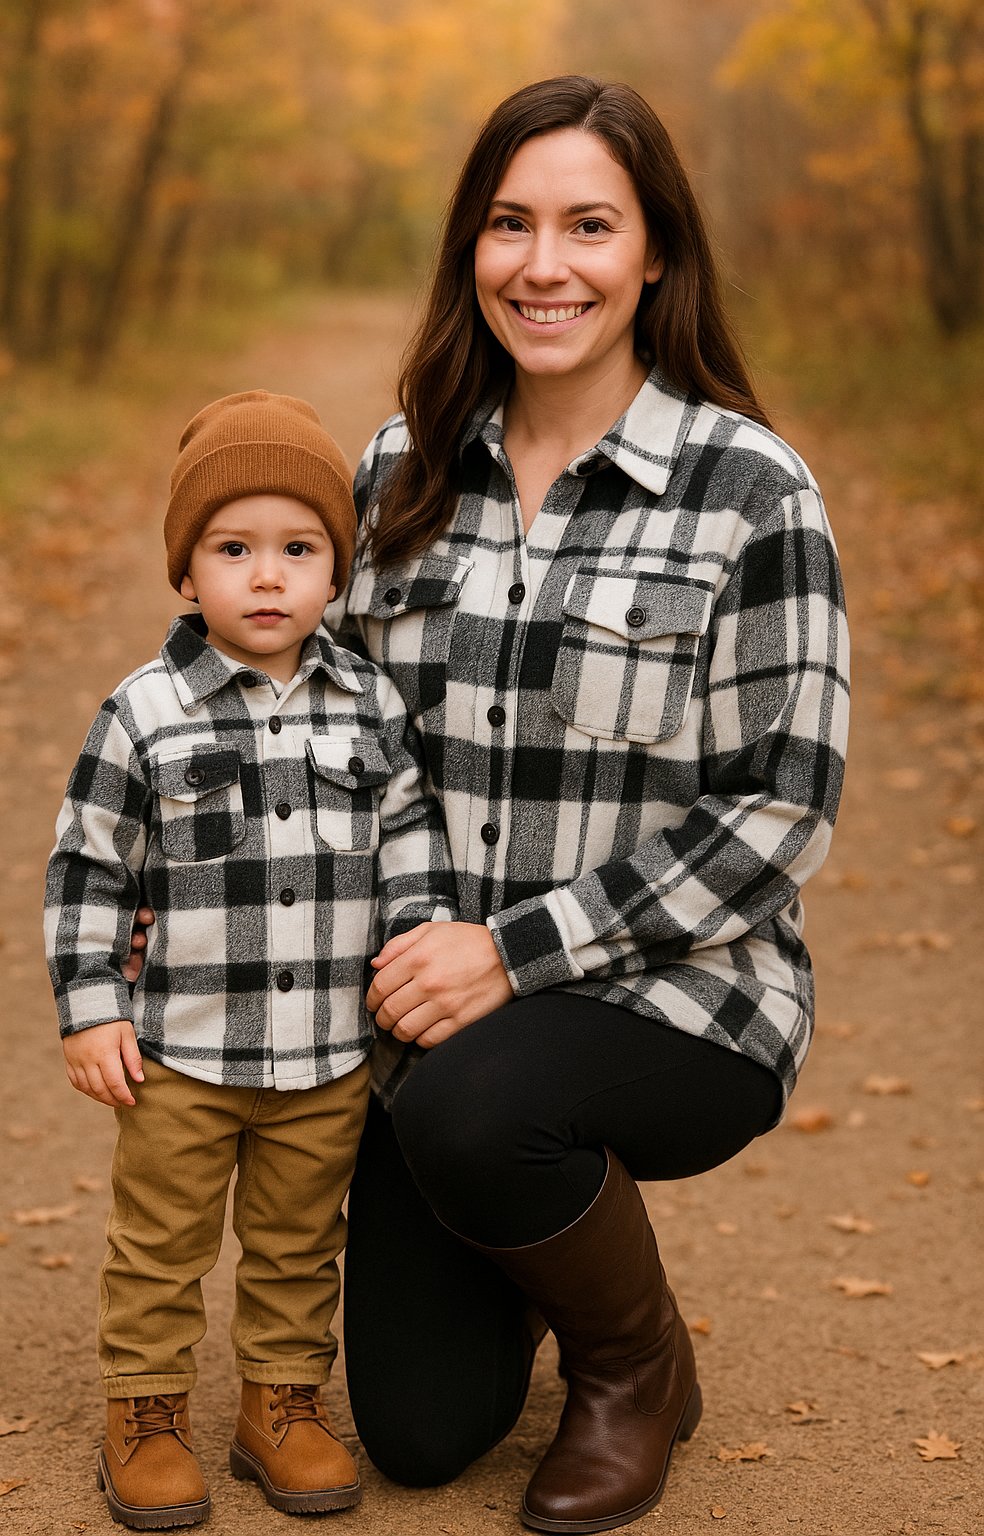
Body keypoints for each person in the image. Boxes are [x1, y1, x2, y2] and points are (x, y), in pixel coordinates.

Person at [334, 75, 849, 1534]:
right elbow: (353, 749)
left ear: (656, 253)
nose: (542, 265)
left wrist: (512, 954)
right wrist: (422, 938)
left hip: (679, 995)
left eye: (589, 226)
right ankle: (532, 1214)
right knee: (421, 1432)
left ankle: (635, 1366)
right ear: (471, 246)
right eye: (510, 223)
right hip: (438, 1009)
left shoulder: (749, 491)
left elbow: (782, 810)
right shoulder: (399, 471)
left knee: (481, 1108)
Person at [43, 391, 456, 1530]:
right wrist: (91, 1007)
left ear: (336, 571)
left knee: (297, 1245)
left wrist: (415, 947)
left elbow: (410, 846)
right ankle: (146, 1411)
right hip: (180, 1054)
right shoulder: (143, 713)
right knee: (160, 1244)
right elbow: (88, 868)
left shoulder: (370, 708)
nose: (267, 577)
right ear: (186, 570)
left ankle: (281, 1404)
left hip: (324, 1055)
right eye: (233, 550)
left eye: (298, 550)